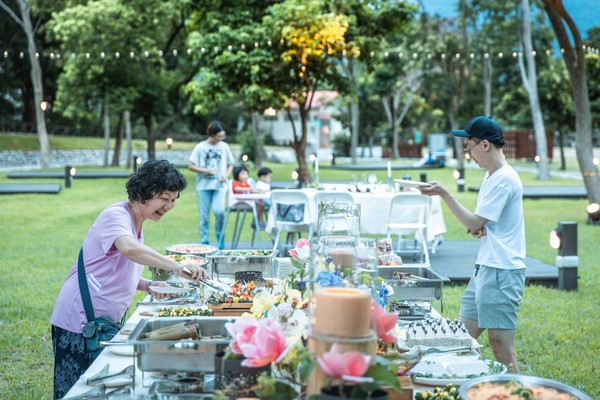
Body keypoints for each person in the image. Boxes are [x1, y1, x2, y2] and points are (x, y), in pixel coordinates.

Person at [51, 160, 211, 399]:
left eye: (174, 200)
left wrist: (147, 285)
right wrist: (178, 267)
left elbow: (113, 270)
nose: (169, 206)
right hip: (79, 320)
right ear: (143, 192)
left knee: (98, 390)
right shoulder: (115, 215)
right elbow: (128, 249)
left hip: (100, 322)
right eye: (164, 198)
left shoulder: (136, 221)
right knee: (78, 392)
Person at [419, 116, 526, 373]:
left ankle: (515, 390)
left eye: (469, 147)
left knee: (501, 345)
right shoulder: (492, 176)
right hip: (485, 268)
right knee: (461, 340)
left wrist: (445, 193)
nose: (469, 154)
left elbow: (476, 221)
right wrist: (479, 228)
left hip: (502, 270)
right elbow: (481, 224)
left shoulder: (504, 179)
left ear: (485, 145)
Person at [188, 121, 234, 248]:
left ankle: (220, 242)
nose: (220, 139)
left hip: (220, 186)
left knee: (219, 212)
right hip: (203, 186)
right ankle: (205, 242)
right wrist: (205, 170)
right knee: (204, 216)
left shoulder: (224, 147)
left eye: (222, 136)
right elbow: (190, 165)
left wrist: (226, 174)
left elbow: (231, 164)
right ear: (212, 135)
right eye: (218, 136)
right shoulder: (200, 147)